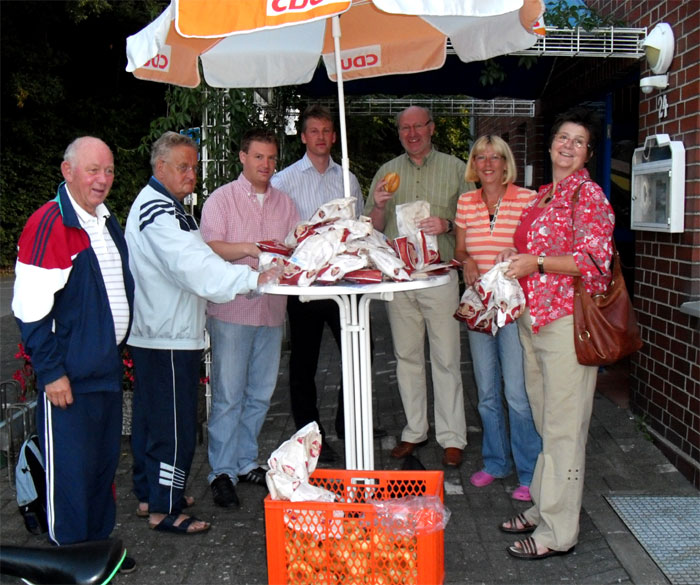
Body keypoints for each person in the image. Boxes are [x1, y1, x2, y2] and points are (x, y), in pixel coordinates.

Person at [126, 131, 279, 535]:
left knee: (149, 422)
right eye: (183, 167)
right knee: (174, 428)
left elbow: (194, 262)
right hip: (167, 335)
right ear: (160, 167)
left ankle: (150, 494)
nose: (191, 173)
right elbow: (195, 266)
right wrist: (254, 278)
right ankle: (165, 508)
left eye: (194, 166)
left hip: (163, 332)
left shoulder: (165, 205)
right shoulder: (157, 212)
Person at [12, 137, 136, 569]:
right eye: (92, 170)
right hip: (69, 379)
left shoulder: (104, 220)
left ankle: (97, 556)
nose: (103, 180)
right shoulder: (51, 223)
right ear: (68, 172)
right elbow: (28, 310)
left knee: (102, 471)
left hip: (103, 369)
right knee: (71, 476)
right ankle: (68, 559)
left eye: (109, 170)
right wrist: (50, 372)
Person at [497, 107, 614, 559]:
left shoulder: (588, 196)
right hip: (535, 322)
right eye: (562, 137)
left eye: (578, 141)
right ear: (550, 145)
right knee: (548, 425)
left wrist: (538, 263)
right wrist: (517, 252)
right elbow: (534, 250)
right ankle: (543, 507)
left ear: (587, 153)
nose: (567, 146)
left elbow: (597, 265)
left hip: (566, 327)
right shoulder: (544, 196)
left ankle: (557, 533)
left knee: (564, 431)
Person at [364, 106, 470, 468]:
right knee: (407, 357)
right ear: (399, 133)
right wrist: (378, 205)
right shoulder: (386, 172)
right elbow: (373, 228)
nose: (412, 133)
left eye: (418, 126)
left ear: (432, 127)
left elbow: (472, 222)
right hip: (400, 277)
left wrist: (449, 224)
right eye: (405, 128)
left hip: (439, 276)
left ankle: (452, 436)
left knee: (446, 358)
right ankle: (414, 430)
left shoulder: (456, 168)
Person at [201, 128, 299, 508]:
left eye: (272, 158)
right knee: (227, 395)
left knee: (260, 393)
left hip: (272, 311)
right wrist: (248, 249)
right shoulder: (221, 200)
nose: (267, 165)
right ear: (242, 157)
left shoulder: (285, 203)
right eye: (259, 156)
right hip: (233, 310)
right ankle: (221, 471)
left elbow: (295, 247)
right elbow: (209, 250)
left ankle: (245, 462)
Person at [270, 104, 366, 462]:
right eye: (314, 131)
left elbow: (356, 229)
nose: (321, 137)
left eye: (327, 131)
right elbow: (281, 232)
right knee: (304, 362)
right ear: (303, 136)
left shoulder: (348, 180)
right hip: (307, 285)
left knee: (358, 354)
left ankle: (348, 424)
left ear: (334, 135)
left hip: (344, 282)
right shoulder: (285, 180)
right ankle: (310, 434)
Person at [454, 135, 541, 501]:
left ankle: (529, 471)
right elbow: (460, 248)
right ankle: (494, 463)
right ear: (473, 163)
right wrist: (468, 260)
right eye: (480, 157)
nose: (488, 163)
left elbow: (539, 245)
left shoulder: (528, 199)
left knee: (517, 394)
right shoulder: (465, 201)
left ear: (507, 163)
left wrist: (518, 250)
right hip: (479, 306)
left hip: (513, 306)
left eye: (496, 157)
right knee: (487, 392)